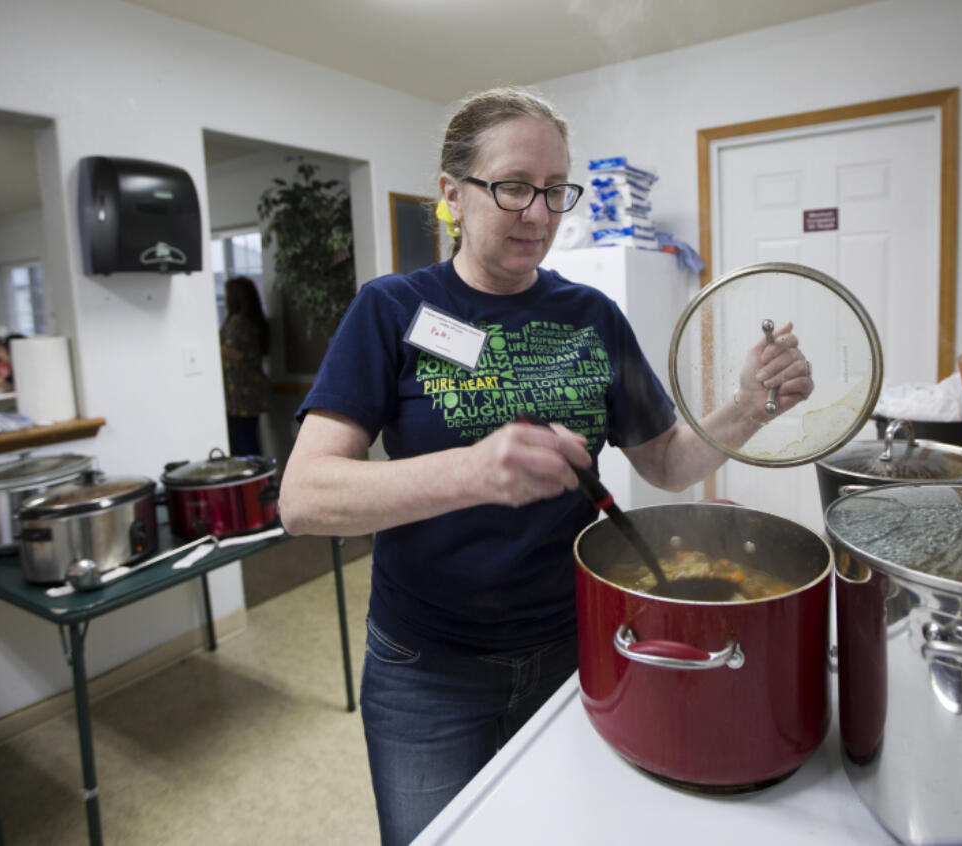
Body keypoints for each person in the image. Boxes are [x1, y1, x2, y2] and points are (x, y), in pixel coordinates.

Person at [278, 87, 812, 845]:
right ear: (452, 196)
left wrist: (749, 406)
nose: (540, 213)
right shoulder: (391, 310)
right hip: (428, 667)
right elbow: (304, 497)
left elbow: (664, 461)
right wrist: (470, 472)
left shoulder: (591, 317)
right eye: (513, 187)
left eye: (556, 190)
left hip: (577, 644)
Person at [219, 276, 272, 456]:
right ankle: (258, 482)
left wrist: (208, 343)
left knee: (243, 444)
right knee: (248, 439)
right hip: (248, 394)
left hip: (239, 396)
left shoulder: (238, 323)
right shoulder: (253, 321)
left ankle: (254, 483)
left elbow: (235, 353)